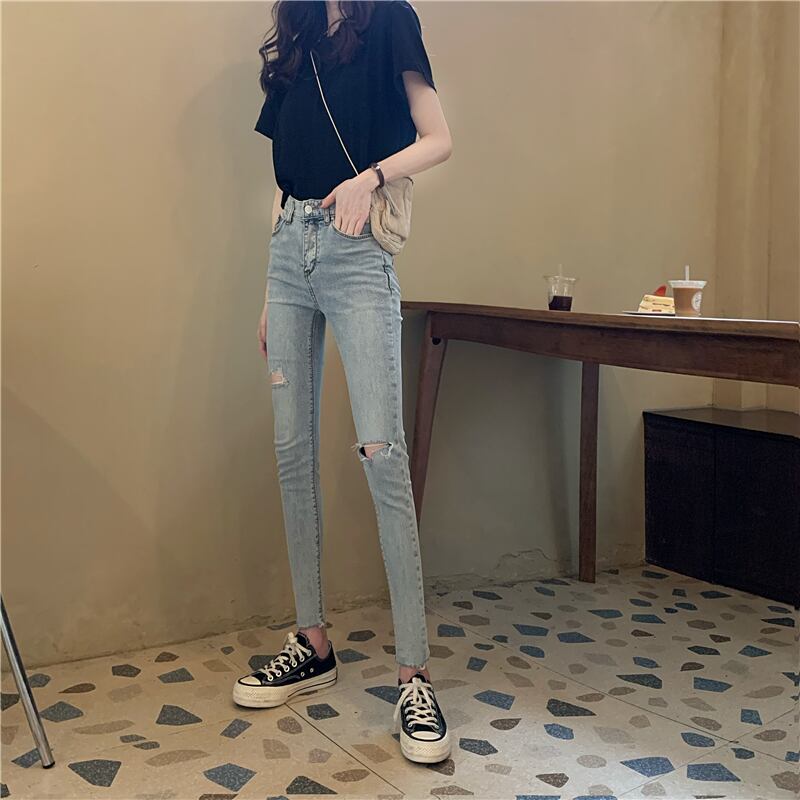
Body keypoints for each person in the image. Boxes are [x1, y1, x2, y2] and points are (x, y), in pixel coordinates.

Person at [233, 0, 453, 765]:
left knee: (382, 455)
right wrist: (272, 292)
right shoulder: (296, 33)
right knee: (292, 450)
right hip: (288, 251)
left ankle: (415, 675)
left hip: (358, 249)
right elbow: (282, 179)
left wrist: (371, 177)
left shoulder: (389, 17)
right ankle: (313, 643)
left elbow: (439, 137)